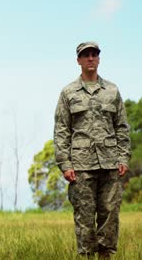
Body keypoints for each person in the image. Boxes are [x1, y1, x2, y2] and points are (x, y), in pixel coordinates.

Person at [54, 42, 131, 259]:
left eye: (94, 54)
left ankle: (105, 257)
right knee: (84, 219)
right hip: (81, 167)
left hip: (110, 165)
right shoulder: (68, 93)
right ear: (78, 60)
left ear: (99, 59)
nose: (90, 58)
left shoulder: (112, 91)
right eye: (85, 55)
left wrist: (123, 157)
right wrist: (65, 164)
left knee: (110, 217)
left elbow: (122, 127)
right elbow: (61, 130)